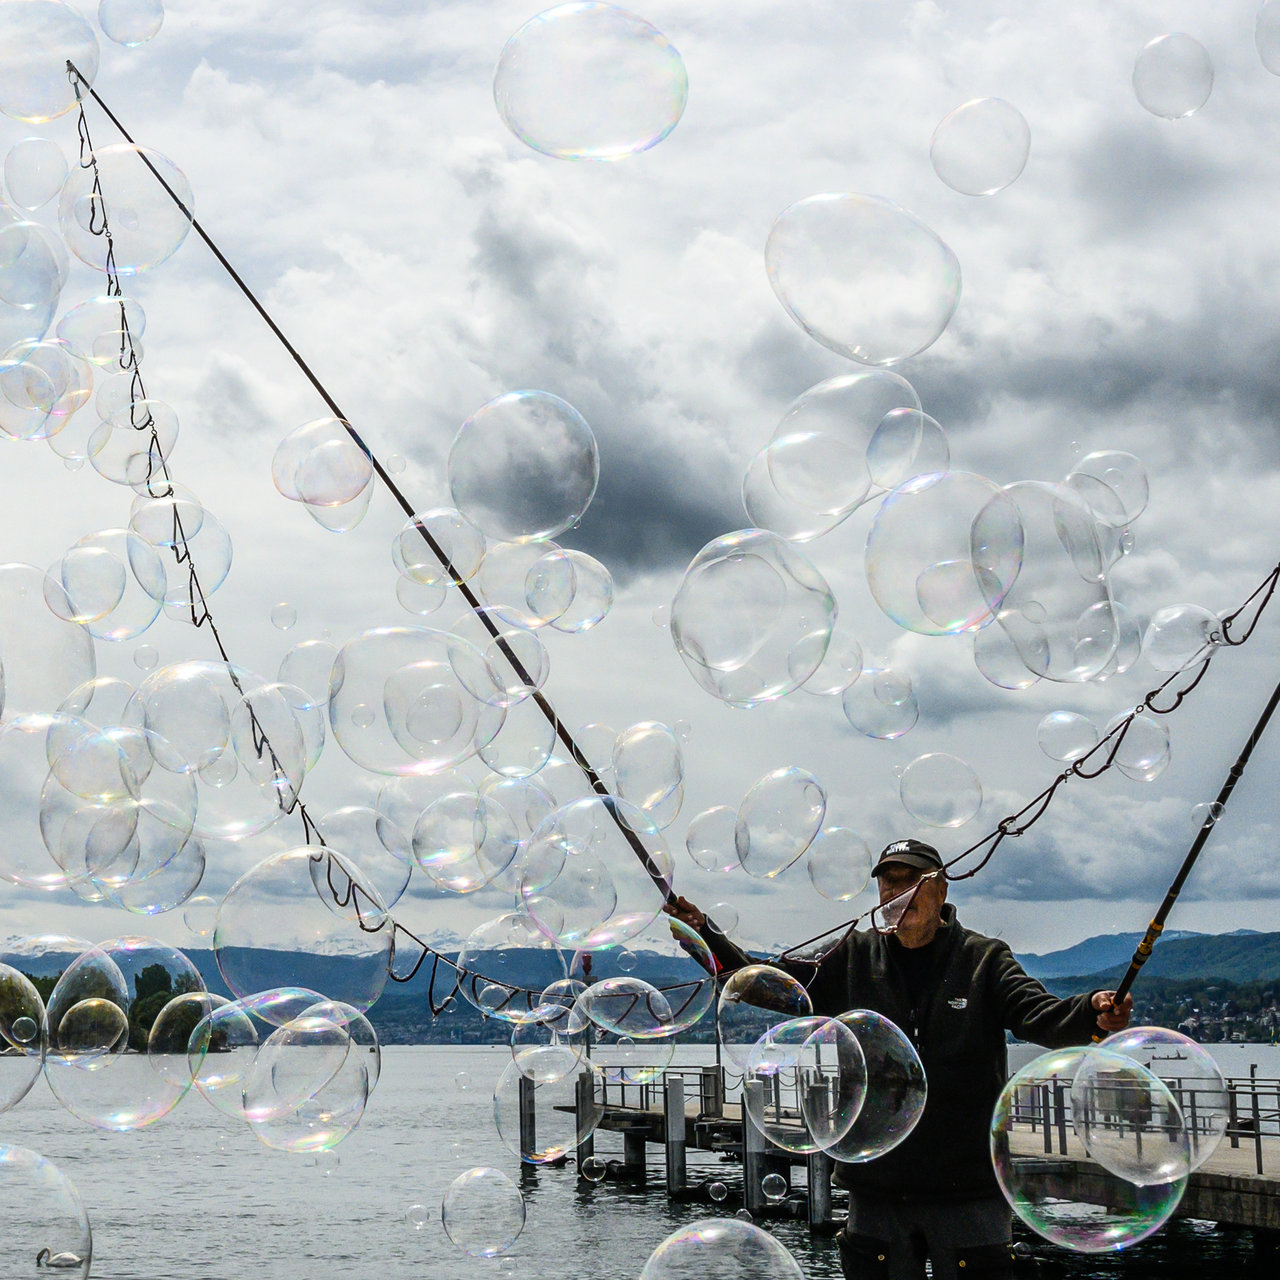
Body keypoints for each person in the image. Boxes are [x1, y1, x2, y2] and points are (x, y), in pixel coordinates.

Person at [666, 838, 1133, 1280]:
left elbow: (1038, 1014)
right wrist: (703, 934)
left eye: (910, 880)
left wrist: (1091, 1010)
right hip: (877, 1186)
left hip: (968, 1187)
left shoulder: (983, 959)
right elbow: (767, 981)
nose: (897, 892)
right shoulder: (852, 955)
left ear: (941, 888)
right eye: (888, 882)